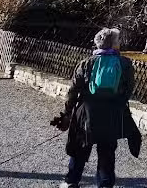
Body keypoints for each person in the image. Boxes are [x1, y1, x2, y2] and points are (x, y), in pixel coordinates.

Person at [53, 28, 141, 188]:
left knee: (80, 148)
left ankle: (71, 181)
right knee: (107, 152)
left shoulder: (86, 63)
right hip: (112, 113)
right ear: (113, 44)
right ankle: (105, 184)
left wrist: (67, 113)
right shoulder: (125, 64)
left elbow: (73, 91)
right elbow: (128, 90)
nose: (120, 43)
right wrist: (118, 105)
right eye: (118, 40)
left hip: (86, 113)